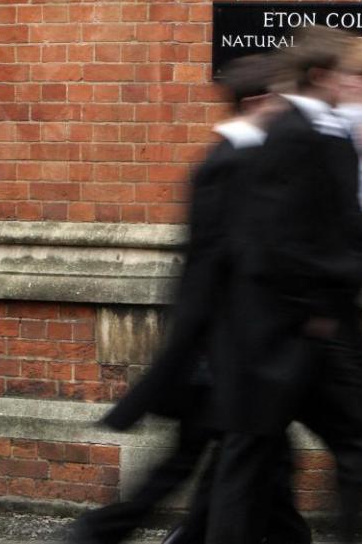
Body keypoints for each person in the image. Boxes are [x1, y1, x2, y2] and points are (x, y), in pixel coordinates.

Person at [204, 27, 362, 544]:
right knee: (262, 455)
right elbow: (274, 236)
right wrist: (320, 297)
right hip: (295, 328)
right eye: (351, 75)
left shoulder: (325, 131)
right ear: (323, 76)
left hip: (308, 326)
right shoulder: (295, 133)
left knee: (284, 453)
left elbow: (341, 228)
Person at [67, 53, 309, 544]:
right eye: (283, 96)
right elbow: (206, 271)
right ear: (259, 100)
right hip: (220, 353)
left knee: (242, 466)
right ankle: (97, 533)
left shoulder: (248, 160)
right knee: (233, 464)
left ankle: (110, 533)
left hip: (231, 352)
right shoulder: (225, 165)